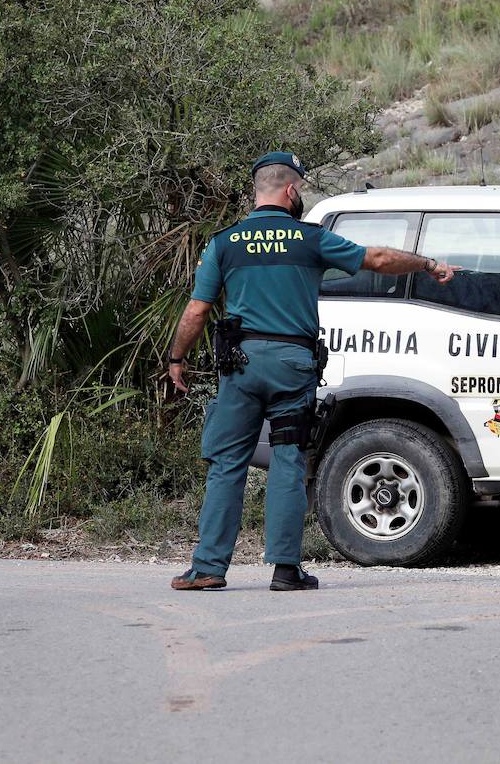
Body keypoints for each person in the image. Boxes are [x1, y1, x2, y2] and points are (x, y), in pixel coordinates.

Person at [166, 152, 456, 592]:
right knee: (287, 461)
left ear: (256, 190)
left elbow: (197, 310)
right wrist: (428, 264)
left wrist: (176, 358)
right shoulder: (310, 240)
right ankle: (286, 570)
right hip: (291, 366)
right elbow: (377, 258)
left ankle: (207, 568)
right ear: (291, 190)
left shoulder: (225, 242)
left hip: (240, 367)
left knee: (227, 464)